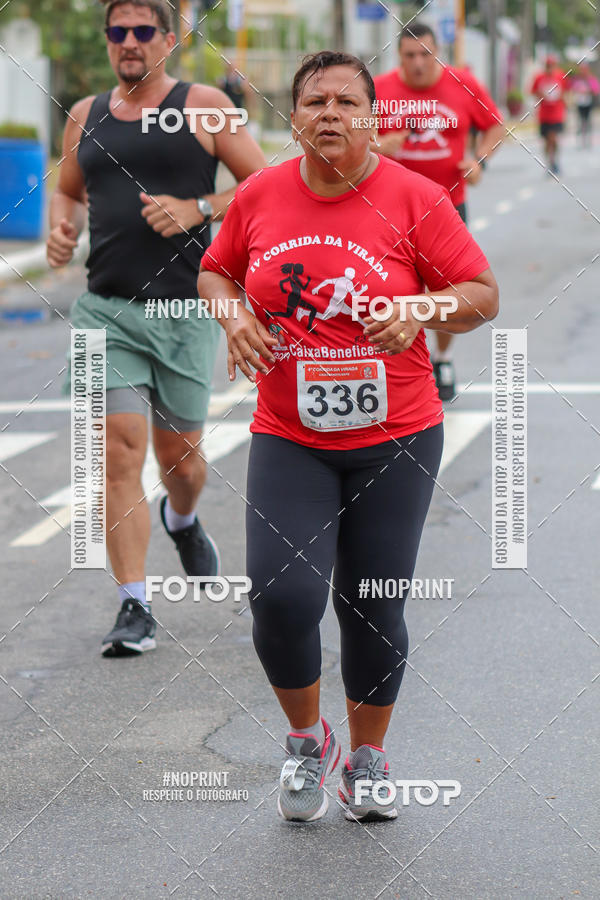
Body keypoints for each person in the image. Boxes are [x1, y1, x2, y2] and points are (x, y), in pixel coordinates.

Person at [198, 50, 498, 823]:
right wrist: (234, 316)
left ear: (372, 116)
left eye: (345, 101)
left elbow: (480, 294)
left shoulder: (415, 198)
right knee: (280, 595)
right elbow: (216, 271)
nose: (328, 112)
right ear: (292, 116)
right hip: (290, 433)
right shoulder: (260, 194)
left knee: (372, 602)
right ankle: (306, 744)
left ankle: (368, 759)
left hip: (396, 436)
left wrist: (422, 312)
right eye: (313, 100)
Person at [46, 0, 265, 657]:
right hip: (106, 310)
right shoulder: (86, 116)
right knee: (120, 451)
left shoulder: (203, 105)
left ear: (168, 40)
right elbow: (69, 189)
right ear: (108, 40)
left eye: (144, 31)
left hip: (185, 311)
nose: (130, 42)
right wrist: (62, 226)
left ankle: (185, 518)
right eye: (118, 32)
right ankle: (133, 603)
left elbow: (264, 185)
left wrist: (200, 207)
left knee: (183, 463)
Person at [373, 22, 503, 401]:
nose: (417, 63)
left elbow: (494, 126)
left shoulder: (462, 84)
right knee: (388, 286)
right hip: (387, 207)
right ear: (399, 56)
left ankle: (442, 357)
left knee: (447, 290)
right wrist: (380, 145)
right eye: (410, 55)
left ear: (437, 53)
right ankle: (387, 361)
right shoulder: (379, 89)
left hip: (447, 205)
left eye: (425, 55)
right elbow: (357, 134)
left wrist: (479, 161)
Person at [530, 55, 569, 174]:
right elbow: (533, 91)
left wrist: (565, 105)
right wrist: (542, 95)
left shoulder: (560, 76)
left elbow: (565, 92)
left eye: (552, 65)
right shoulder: (539, 77)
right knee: (547, 140)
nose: (550, 68)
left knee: (554, 138)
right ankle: (549, 161)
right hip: (544, 114)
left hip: (557, 113)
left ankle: (554, 160)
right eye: (548, 66)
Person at [569, 63, 599, 148]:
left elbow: (596, 91)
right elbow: (572, 89)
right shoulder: (576, 79)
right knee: (580, 121)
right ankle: (581, 140)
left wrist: (588, 91)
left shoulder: (591, 79)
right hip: (579, 103)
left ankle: (588, 140)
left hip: (589, 103)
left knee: (588, 121)